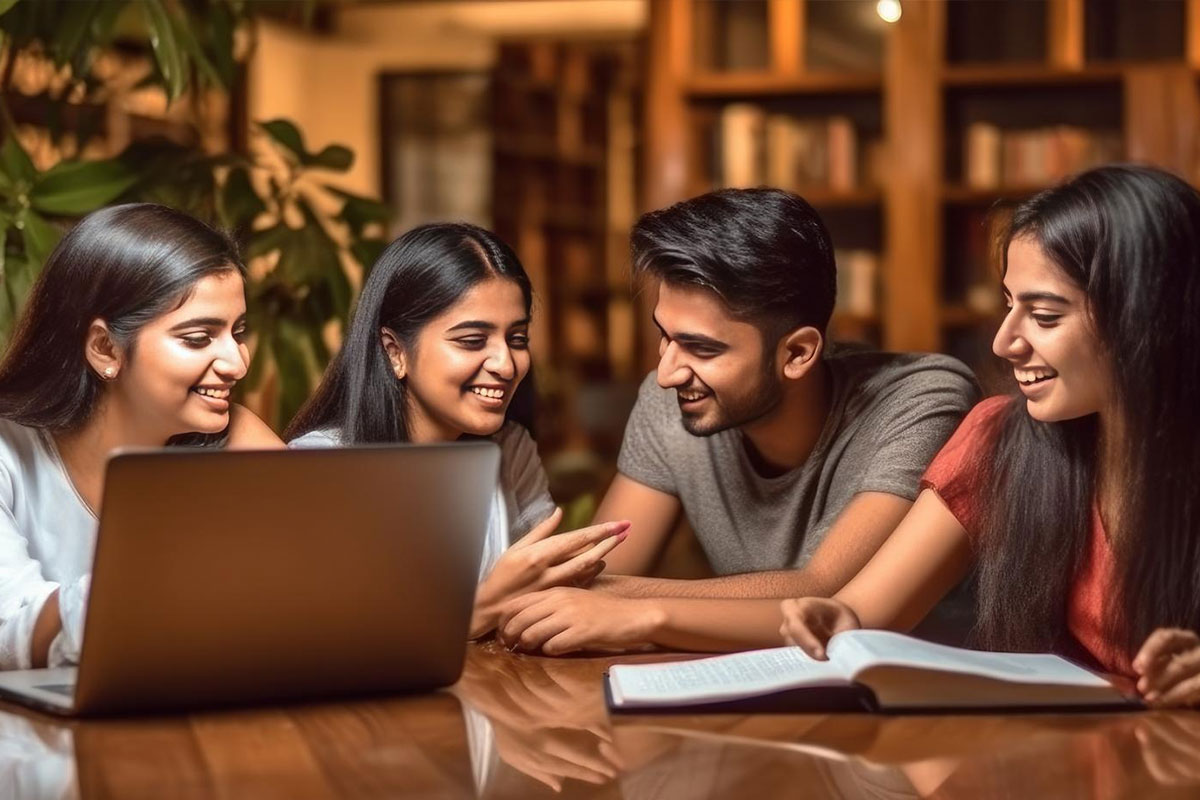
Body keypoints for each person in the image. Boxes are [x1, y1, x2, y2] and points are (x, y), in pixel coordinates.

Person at [779, 165, 1200, 709]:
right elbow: (862, 611)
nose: (1005, 343)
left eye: (1044, 316)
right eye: (1008, 304)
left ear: (1149, 320)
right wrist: (834, 618)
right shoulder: (997, 440)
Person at [497, 188, 978, 655]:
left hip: (924, 707)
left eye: (702, 348)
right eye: (665, 337)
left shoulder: (923, 398)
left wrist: (635, 610)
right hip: (768, 696)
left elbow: (824, 592)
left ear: (797, 353)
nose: (666, 374)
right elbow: (596, 577)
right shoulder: (672, 405)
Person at [285, 223, 628, 638]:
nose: (506, 364)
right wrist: (479, 612)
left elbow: (540, 598)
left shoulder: (510, 450)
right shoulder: (321, 467)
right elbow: (322, 638)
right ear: (395, 351)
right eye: (471, 340)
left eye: (517, 338)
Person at [0, 203, 281, 671]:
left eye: (237, 332)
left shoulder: (237, 442)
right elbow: (9, 630)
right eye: (197, 337)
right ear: (105, 348)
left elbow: (329, 587)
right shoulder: (9, 454)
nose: (236, 362)